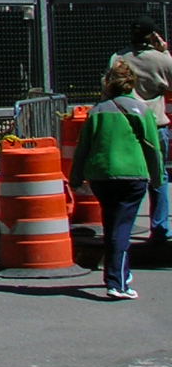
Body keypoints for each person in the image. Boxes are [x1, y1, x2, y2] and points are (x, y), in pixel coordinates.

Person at [71, 60, 163, 299]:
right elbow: (153, 148)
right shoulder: (142, 110)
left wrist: (76, 176)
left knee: (112, 224)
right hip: (132, 175)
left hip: (101, 175)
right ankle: (117, 282)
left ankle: (118, 272)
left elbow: (83, 147)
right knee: (121, 228)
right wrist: (157, 177)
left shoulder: (98, 111)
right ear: (131, 83)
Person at [107, 20, 172, 245]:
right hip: (156, 123)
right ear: (152, 35)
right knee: (159, 176)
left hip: (127, 124)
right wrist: (164, 52)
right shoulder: (161, 59)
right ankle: (160, 228)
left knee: (130, 176)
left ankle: (122, 227)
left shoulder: (118, 59)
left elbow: (109, 88)